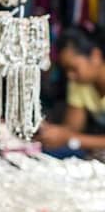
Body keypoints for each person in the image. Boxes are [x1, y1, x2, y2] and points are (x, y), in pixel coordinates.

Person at [37, 26, 105, 155]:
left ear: (95, 56)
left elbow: (70, 136)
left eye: (73, 68)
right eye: (66, 70)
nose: (70, 75)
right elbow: (72, 128)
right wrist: (51, 132)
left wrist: (70, 138)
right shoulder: (80, 83)